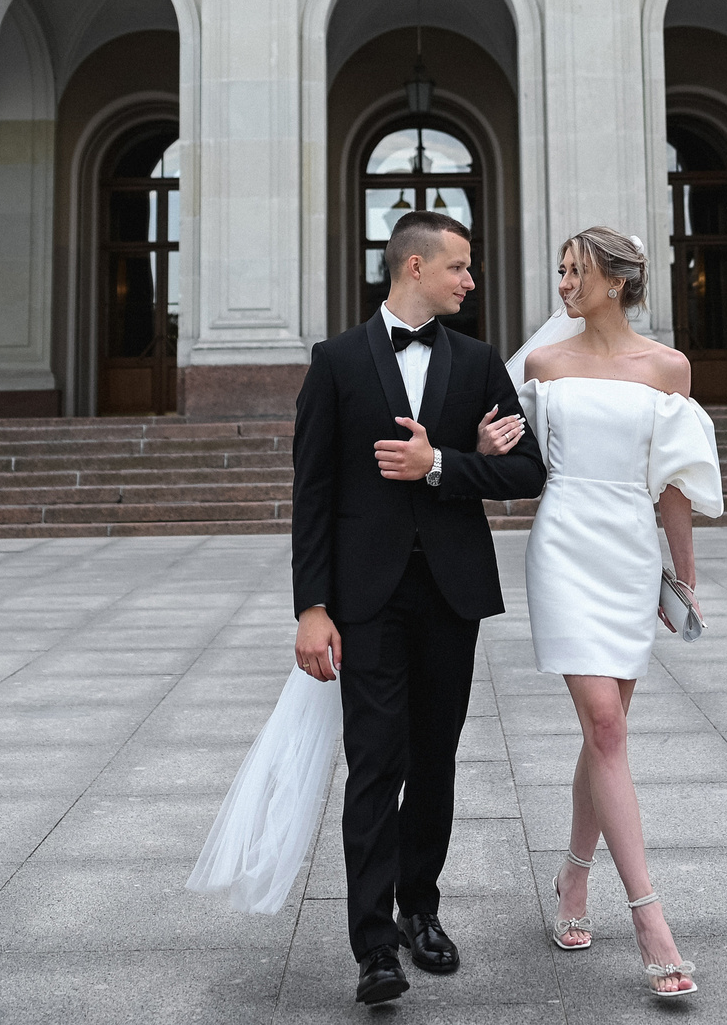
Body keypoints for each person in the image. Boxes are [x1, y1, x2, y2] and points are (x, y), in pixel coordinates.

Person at [290, 208, 547, 1006]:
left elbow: (528, 472)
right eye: (459, 266)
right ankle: (373, 945)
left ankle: (419, 909)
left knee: (435, 759)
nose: (470, 279)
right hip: (365, 598)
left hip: (450, 592)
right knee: (376, 762)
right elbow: (313, 492)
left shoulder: (478, 361)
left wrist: (444, 464)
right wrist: (311, 606)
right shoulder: (335, 361)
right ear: (414, 266)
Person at [489, 226, 722, 1000]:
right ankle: (652, 919)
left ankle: (573, 875)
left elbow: (674, 482)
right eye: (559, 270)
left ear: (617, 280)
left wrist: (684, 576)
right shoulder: (543, 364)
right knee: (607, 727)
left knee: (606, 732)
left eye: (576, 271)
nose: (563, 284)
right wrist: (487, 445)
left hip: (628, 550)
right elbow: (519, 463)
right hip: (562, 546)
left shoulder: (668, 367)